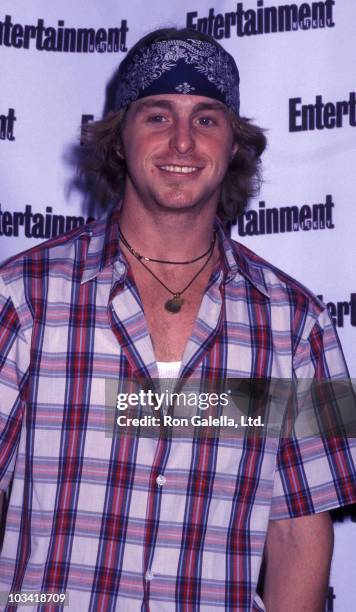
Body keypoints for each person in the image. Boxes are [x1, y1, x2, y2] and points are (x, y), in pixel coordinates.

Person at [0, 27, 355, 612]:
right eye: (158, 117)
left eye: (207, 119)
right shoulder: (20, 295)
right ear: (120, 140)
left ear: (235, 144)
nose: (183, 142)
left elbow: (300, 532)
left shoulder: (304, 323)